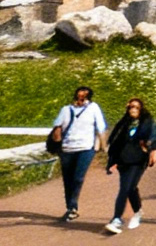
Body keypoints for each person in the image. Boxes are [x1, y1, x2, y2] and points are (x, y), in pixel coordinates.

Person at [49, 84, 107, 223]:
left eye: (85, 97)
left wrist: (104, 147)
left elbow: (101, 128)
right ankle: (71, 208)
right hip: (67, 149)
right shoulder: (66, 109)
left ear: (89, 98)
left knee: (78, 178)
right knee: (67, 179)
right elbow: (57, 127)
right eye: (79, 96)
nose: (81, 99)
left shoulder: (93, 108)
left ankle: (73, 207)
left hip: (86, 148)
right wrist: (57, 144)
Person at [102, 96, 156, 234]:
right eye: (131, 107)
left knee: (125, 188)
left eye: (136, 107)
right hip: (123, 160)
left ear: (141, 109)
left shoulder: (147, 122)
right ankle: (138, 211)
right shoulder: (124, 123)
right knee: (131, 188)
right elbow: (116, 142)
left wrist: (154, 150)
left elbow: (155, 138)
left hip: (139, 159)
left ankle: (117, 219)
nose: (133, 109)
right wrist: (112, 161)